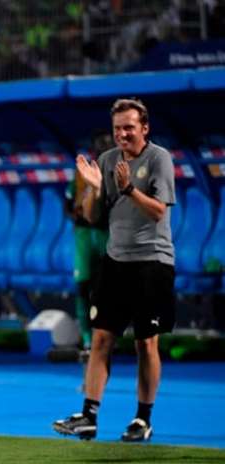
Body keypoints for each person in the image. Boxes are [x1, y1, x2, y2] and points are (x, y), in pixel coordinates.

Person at [54, 98, 176, 442]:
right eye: (117, 128)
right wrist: (94, 188)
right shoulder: (107, 161)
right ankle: (89, 415)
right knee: (101, 339)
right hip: (115, 262)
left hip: (152, 262)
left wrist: (128, 190)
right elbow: (92, 217)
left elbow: (158, 213)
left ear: (144, 128)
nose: (122, 134)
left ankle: (142, 419)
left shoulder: (159, 159)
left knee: (145, 344)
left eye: (129, 128)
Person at [64, 131, 112, 351]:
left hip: (107, 234)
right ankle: (87, 339)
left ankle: (105, 336)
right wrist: (79, 212)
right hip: (84, 236)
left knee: (105, 288)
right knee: (83, 286)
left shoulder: (120, 173)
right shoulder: (81, 175)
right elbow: (67, 203)